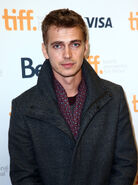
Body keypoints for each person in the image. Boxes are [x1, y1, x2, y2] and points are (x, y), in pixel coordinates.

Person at [9, 8, 137, 185]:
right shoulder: (23, 107)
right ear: (45, 50)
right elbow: (24, 175)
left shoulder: (114, 97)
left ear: (86, 47)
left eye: (75, 44)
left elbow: (126, 163)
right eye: (58, 45)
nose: (67, 54)